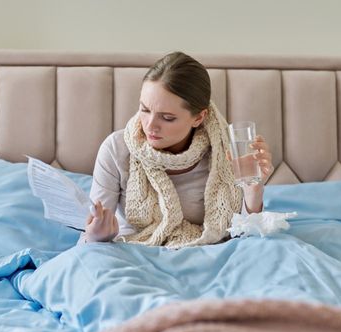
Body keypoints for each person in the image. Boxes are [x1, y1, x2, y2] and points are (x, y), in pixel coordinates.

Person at [81, 52, 274, 248]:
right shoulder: (116, 149)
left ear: (198, 118)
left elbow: (244, 238)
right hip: (134, 254)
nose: (150, 126)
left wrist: (254, 191)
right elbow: (90, 237)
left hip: (208, 256)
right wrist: (97, 236)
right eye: (145, 109)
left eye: (167, 118)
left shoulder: (228, 152)